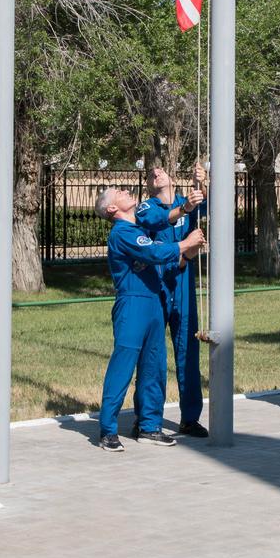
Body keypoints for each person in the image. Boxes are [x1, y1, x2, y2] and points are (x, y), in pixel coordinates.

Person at [96, 185, 205, 452]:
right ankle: (108, 430)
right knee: (123, 365)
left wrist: (187, 253)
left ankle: (149, 425)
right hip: (132, 303)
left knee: (154, 366)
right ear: (112, 208)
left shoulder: (142, 232)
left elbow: (167, 262)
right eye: (118, 193)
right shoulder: (122, 233)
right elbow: (153, 254)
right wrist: (184, 243)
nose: (125, 191)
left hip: (155, 302)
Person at [135, 162, 208, 437]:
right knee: (152, 355)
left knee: (189, 351)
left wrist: (204, 182)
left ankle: (190, 418)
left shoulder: (187, 198)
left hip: (183, 285)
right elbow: (153, 222)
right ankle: (146, 417)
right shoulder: (147, 207)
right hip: (157, 284)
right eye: (151, 175)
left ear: (172, 177)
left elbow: (210, 208)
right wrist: (185, 209)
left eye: (161, 171)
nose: (156, 174)